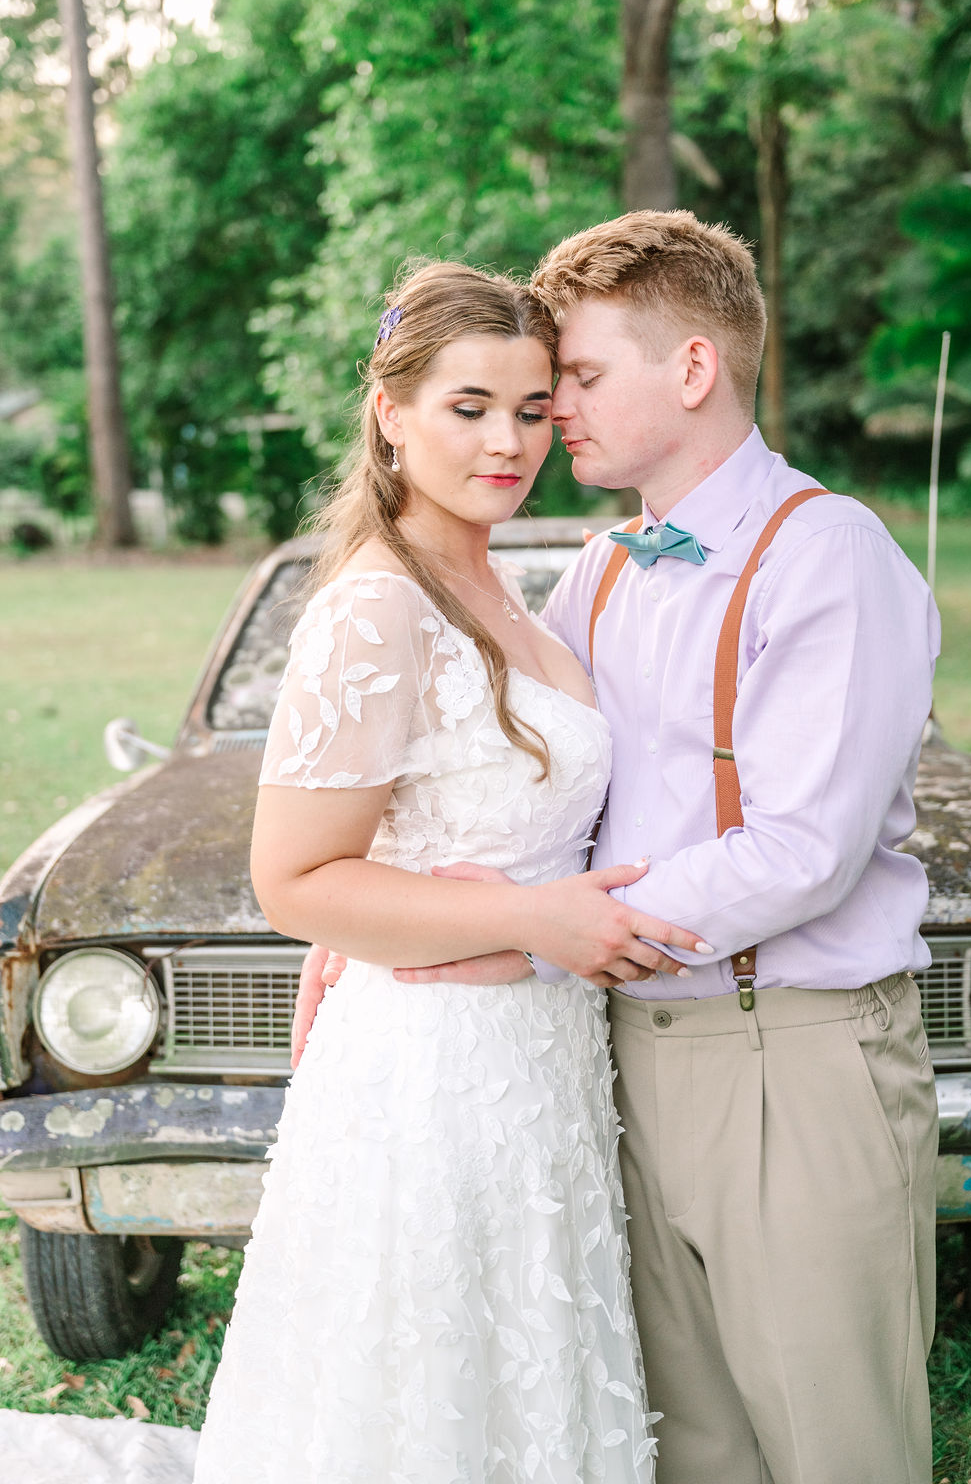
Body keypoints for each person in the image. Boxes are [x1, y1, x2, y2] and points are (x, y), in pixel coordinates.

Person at [296, 211, 941, 1484]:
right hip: (613, 1067)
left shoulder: (828, 556)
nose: (551, 420)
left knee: (834, 1442)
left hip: (790, 1057)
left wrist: (541, 940)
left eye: (575, 382)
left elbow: (802, 848)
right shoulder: (597, 573)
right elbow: (520, 782)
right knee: (688, 1444)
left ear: (691, 370)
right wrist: (384, 917)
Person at [192, 259, 707, 1484]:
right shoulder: (377, 608)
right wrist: (535, 920)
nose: (508, 441)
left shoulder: (514, 589)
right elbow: (293, 880)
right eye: (468, 407)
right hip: (432, 1078)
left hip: (542, 1061)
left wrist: (501, 921)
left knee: (530, 1377)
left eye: (533, 410)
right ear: (391, 411)